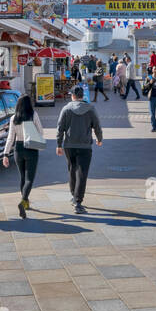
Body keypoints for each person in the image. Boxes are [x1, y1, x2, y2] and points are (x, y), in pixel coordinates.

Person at [57, 84, 103, 214]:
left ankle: (74, 195)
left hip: (69, 146)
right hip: (85, 146)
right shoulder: (90, 109)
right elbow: (97, 125)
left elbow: (60, 128)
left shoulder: (66, 109)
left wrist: (58, 144)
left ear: (72, 96)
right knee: (82, 173)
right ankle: (78, 201)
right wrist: (99, 138)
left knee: (72, 169)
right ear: (82, 96)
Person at [2, 93, 40, 218]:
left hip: (18, 148)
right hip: (31, 148)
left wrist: (5, 154)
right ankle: (23, 201)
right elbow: (41, 131)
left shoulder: (14, 118)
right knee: (30, 178)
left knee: (22, 176)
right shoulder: (33, 115)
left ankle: (26, 202)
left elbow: (10, 138)